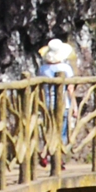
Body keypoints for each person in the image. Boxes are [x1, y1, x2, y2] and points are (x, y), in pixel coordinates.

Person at [35, 37, 77, 166]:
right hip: (63, 104)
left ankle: (46, 154)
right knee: (62, 132)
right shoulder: (66, 68)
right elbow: (70, 89)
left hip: (47, 104)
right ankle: (55, 159)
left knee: (49, 130)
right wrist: (74, 106)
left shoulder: (42, 69)